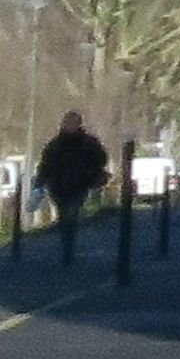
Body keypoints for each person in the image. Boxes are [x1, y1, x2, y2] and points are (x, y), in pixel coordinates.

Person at [40, 109, 112, 265]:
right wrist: (41, 180)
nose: (70, 126)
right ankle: (67, 243)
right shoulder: (55, 145)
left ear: (79, 124)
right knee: (63, 216)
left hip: (79, 185)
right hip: (58, 186)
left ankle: (68, 248)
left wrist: (91, 173)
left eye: (73, 123)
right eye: (68, 123)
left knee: (71, 214)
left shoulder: (88, 143)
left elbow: (101, 159)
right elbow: (46, 164)